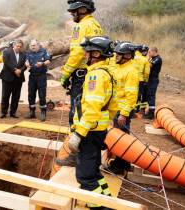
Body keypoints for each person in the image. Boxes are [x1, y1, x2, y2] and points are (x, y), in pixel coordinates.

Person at [68, 36, 116, 210]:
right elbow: (113, 106)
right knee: (94, 171)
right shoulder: (108, 73)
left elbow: (92, 108)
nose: (84, 56)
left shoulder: (96, 75)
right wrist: (102, 125)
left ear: (96, 53)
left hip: (89, 132)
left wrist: (79, 134)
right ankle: (106, 200)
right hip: (98, 130)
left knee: (85, 176)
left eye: (87, 52)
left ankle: (97, 207)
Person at [60, 0, 103, 126]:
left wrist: (65, 73)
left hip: (80, 75)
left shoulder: (81, 26)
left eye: (74, 11)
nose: (72, 14)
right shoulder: (96, 24)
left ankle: (74, 138)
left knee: (77, 109)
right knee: (88, 107)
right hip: (92, 72)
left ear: (83, 10)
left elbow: (77, 53)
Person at [107, 42, 139, 175]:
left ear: (126, 55)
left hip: (122, 110)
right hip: (117, 109)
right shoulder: (121, 67)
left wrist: (124, 114)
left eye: (118, 54)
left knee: (121, 139)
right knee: (122, 137)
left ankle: (120, 166)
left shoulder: (131, 71)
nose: (116, 56)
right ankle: (123, 163)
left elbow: (132, 96)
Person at [0, 39, 26, 118]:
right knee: (5, 95)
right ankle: (3, 112)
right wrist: (15, 70)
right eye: (17, 46)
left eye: (20, 47)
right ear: (14, 45)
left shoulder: (23, 54)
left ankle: (13, 112)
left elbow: (25, 65)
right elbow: (6, 62)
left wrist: (20, 70)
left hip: (18, 78)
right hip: (7, 77)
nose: (18, 47)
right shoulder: (6, 52)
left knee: (16, 96)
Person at [25, 39, 51, 121]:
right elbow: (26, 60)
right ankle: (32, 112)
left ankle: (43, 113)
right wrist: (27, 64)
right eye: (31, 45)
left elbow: (48, 61)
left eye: (34, 45)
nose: (32, 47)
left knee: (42, 95)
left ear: (38, 45)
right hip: (32, 76)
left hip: (41, 76)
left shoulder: (43, 51)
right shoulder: (29, 52)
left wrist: (42, 63)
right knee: (31, 94)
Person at [144, 47, 162, 119]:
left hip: (154, 80)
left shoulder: (158, 58)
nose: (148, 54)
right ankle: (149, 111)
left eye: (149, 52)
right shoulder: (152, 58)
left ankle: (151, 114)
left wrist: (147, 59)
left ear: (154, 51)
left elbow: (149, 66)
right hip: (150, 79)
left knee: (151, 95)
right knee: (148, 95)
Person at [134, 44, 150, 114]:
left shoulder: (133, 57)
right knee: (139, 94)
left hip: (132, 78)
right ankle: (136, 109)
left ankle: (132, 108)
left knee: (132, 93)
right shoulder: (145, 60)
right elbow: (147, 72)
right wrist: (146, 80)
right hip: (140, 80)